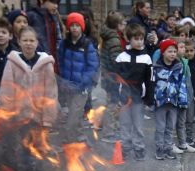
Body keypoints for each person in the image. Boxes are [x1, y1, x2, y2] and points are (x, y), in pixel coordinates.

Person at [0, 26, 57, 171]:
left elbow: (50, 92)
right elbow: (7, 89)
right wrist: (8, 114)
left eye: (32, 40)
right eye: (25, 40)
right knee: (25, 146)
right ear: (18, 42)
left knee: (39, 145)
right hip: (21, 114)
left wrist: (48, 117)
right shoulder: (12, 63)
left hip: (39, 114)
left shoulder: (45, 64)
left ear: (37, 42)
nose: (28, 44)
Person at [57, 12, 99, 144]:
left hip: (81, 88)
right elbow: (61, 62)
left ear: (82, 27)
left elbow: (92, 66)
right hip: (68, 86)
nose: (74, 28)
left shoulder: (87, 44)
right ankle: (80, 136)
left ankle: (69, 139)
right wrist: (63, 80)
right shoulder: (64, 44)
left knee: (73, 114)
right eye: (72, 25)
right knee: (75, 112)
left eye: (77, 25)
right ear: (68, 27)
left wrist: (83, 82)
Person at [115, 23, 153, 160]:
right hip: (124, 97)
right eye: (136, 39)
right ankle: (125, 148)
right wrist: (115, 97)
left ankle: (139, 148)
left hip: (138, 98)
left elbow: (150, 80)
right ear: (129, 39)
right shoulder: (121, 57)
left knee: (138, 125)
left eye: (141, 39)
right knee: (125, 125)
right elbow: (115, 79)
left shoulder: (146, 58)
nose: (139, 41)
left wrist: (149, 98)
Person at [153, 38, 188, 160]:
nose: (173, 54)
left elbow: (182, 84)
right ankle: (159, 149)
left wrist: (183, 100)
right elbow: (152, 83)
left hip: (173, 102)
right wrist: (152, 99)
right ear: (163, 52)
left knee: (170, 127)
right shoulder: (156, 67)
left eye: (174, 51)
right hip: (160, 102)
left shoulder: (179, 66)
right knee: (160, 127)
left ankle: (168, 148)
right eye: (169, 51)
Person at [99, 11, 126, 144]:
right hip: (112, 76)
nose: (125, 24)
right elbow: (116, 60)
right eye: (122, 23)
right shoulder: (114, 39)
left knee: (111, 102)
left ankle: (110, 128)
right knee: (112, 104)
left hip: (107, 75)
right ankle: (108, 133)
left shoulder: (110, 36)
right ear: (117, 25)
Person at [27, 0, 62, 71]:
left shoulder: (54, 17)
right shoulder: (32, 16)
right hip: (38, 62)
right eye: (53, 2)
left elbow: (58, 40)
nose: (56, 6)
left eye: (57, 3)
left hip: (53, 62)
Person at [0, 17, 15, 106]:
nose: (0, 35)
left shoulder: (15, 53)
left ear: (10, 36)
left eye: (4, 32)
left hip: (13, 93)